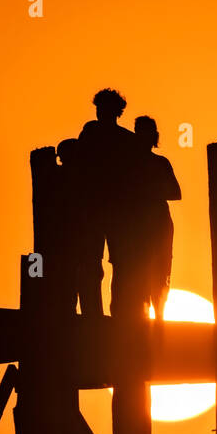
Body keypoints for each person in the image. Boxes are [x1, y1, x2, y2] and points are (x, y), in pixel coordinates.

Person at [70, 89, 138, 317]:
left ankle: (111, 312)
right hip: (102, 209)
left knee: (116, 263)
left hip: (106, 209)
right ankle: (101, 312)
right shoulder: (123, 138)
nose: (100, 113)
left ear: (115, 112)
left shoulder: (100, 134)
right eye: (99, 109)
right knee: (97, 262)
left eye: (104, 109)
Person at [131, 116, 181, 321]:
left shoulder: (160, 163)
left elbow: (176, 192)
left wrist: (147, 191)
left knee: (161, 270)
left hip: (158, 224)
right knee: (136, 270)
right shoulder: (128, 165)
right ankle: (141, 318)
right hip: (137, 225)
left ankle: (158, 316)